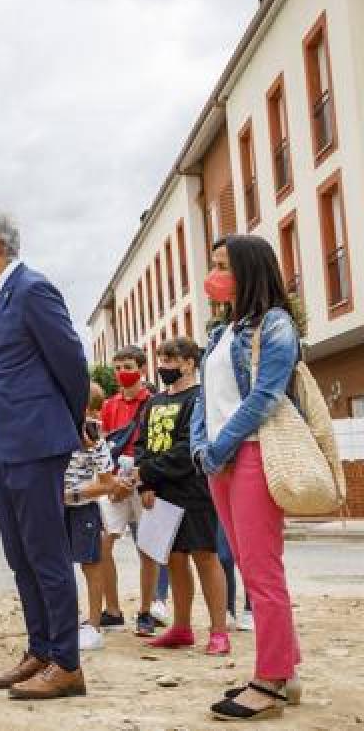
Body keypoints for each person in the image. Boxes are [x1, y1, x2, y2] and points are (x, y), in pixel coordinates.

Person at [0, 210, 89, 700]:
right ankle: (42, 649)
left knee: (47, 555)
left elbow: (71, 361)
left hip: (36, 442)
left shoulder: (32, 289)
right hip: (6, 445)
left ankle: (67, 663)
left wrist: (67, 422)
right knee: (20, 556)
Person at [191, 235, 304, 721]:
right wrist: (202, 447)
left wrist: (220, 446)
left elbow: (265, 396)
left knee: (262, 571)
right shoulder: (220, 332)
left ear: (248, 270)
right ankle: (286, 670)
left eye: (221, 265)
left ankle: (271, 682)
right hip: (220, 461)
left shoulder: (275, 325)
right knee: (246, 563)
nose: (212, 273)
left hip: (253, 455)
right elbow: (204, 397)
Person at [135, 337, 230, 656]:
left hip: (194, 491)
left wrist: (147, 473)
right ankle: (182, 627)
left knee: (205, 556)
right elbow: (142, 446)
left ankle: (219, 632)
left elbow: (187, 447)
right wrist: (144, 484)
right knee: (174, 560)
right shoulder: (153, 403)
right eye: (160, 359)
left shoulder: (199, 399)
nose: (163, 366)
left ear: (189, 363)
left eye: (171, 360)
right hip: (160, 493)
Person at [99, 346, 159, 635]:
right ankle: (112, 610)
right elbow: (107, 445)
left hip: (143, 479)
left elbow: (156, 446)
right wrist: (112, 482)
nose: (122, 373)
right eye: (118, 367)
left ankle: (146, 611)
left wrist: (140, 480)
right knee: (102, 544)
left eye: (128, 366)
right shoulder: (109, 406)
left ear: (142, 369)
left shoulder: (155, 403)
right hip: (115, 481)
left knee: (146, 547)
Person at [68, 383, 117, 652]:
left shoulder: (95, 440)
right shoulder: (58, 432)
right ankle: (69, 620)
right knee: (60, 567)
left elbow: (108, 483)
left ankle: (94, 624)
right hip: (57, 510)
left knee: (91, 564)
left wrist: (73, 494)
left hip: (83, 509)